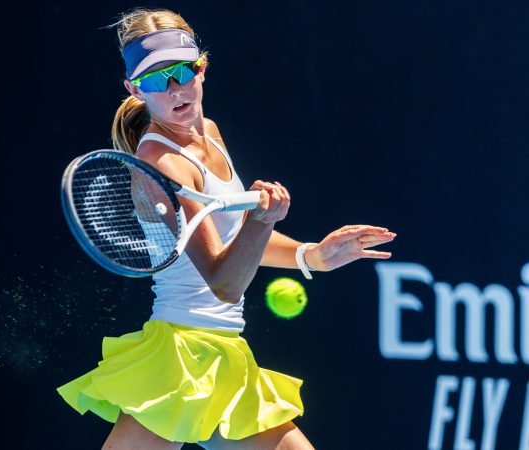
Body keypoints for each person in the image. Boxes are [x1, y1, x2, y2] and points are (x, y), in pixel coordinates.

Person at [58, 8, 396, 450]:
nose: (176, 89)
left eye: (183, 71)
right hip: (177, 361)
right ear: (134, 89)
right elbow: (223, 281)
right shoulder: (162, 167)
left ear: (203, 66)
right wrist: (260, 222)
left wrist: (310, 255)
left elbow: (229, 233)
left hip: (224, 355)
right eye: (157, 80)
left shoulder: (209, 132)